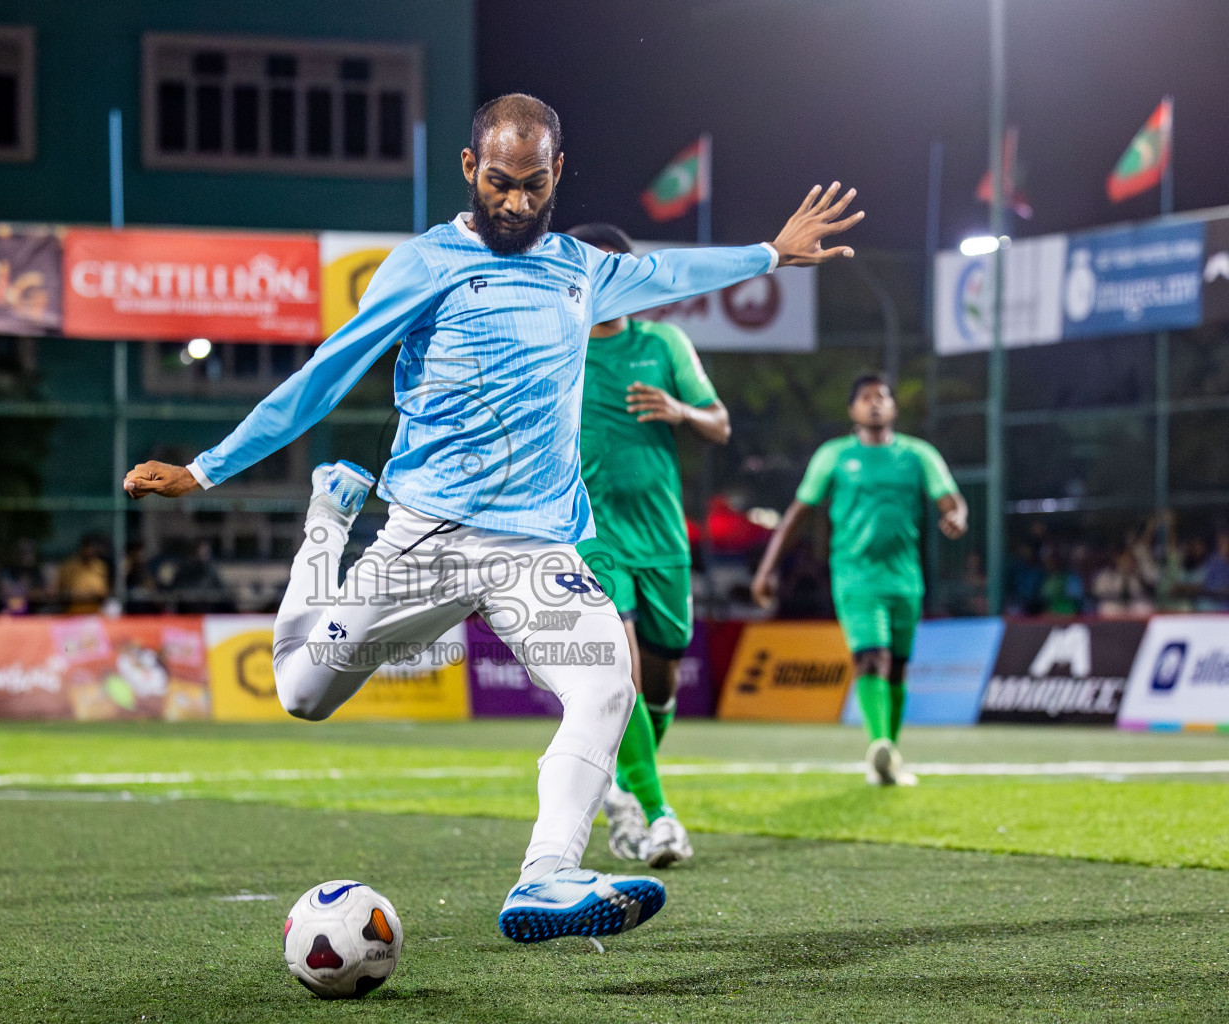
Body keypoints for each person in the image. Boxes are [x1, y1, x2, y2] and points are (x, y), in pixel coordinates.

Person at [125, 93, 861, 943]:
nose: (517, 203)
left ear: (558, 176)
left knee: (606, 684)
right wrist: (207, 468)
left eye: (535, 186)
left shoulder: (580, 268)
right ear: (472, 170)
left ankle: (547, 875)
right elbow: (325, 374)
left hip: (535, 550)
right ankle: (328, 519)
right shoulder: (424, 265)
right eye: (502, 183)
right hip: (424, 538)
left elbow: (672, 273)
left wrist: (770, 252)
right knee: (301, 694)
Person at [563, 221, 732, 869]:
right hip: (591, 536)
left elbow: (719, 424)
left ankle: (623, 791)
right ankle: (661, 816)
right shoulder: (560, 347)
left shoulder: (665, 342)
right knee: (621, 677)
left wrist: (680, 411)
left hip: (662, 538)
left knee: (659, 685)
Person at [752, 373, 965, 786]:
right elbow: (798, 514)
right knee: (872, 657)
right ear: (852, 410)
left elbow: (950, 498)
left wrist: (956, 515)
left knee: (898, 668)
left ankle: (888, 757)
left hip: (904, 578)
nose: (874, 403)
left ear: (893, 408)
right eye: (866, 397)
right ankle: (879, 743)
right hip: (855, 575)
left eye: (882, 396)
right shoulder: (834, 456)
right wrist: (767, 569)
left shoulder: (918, 455)